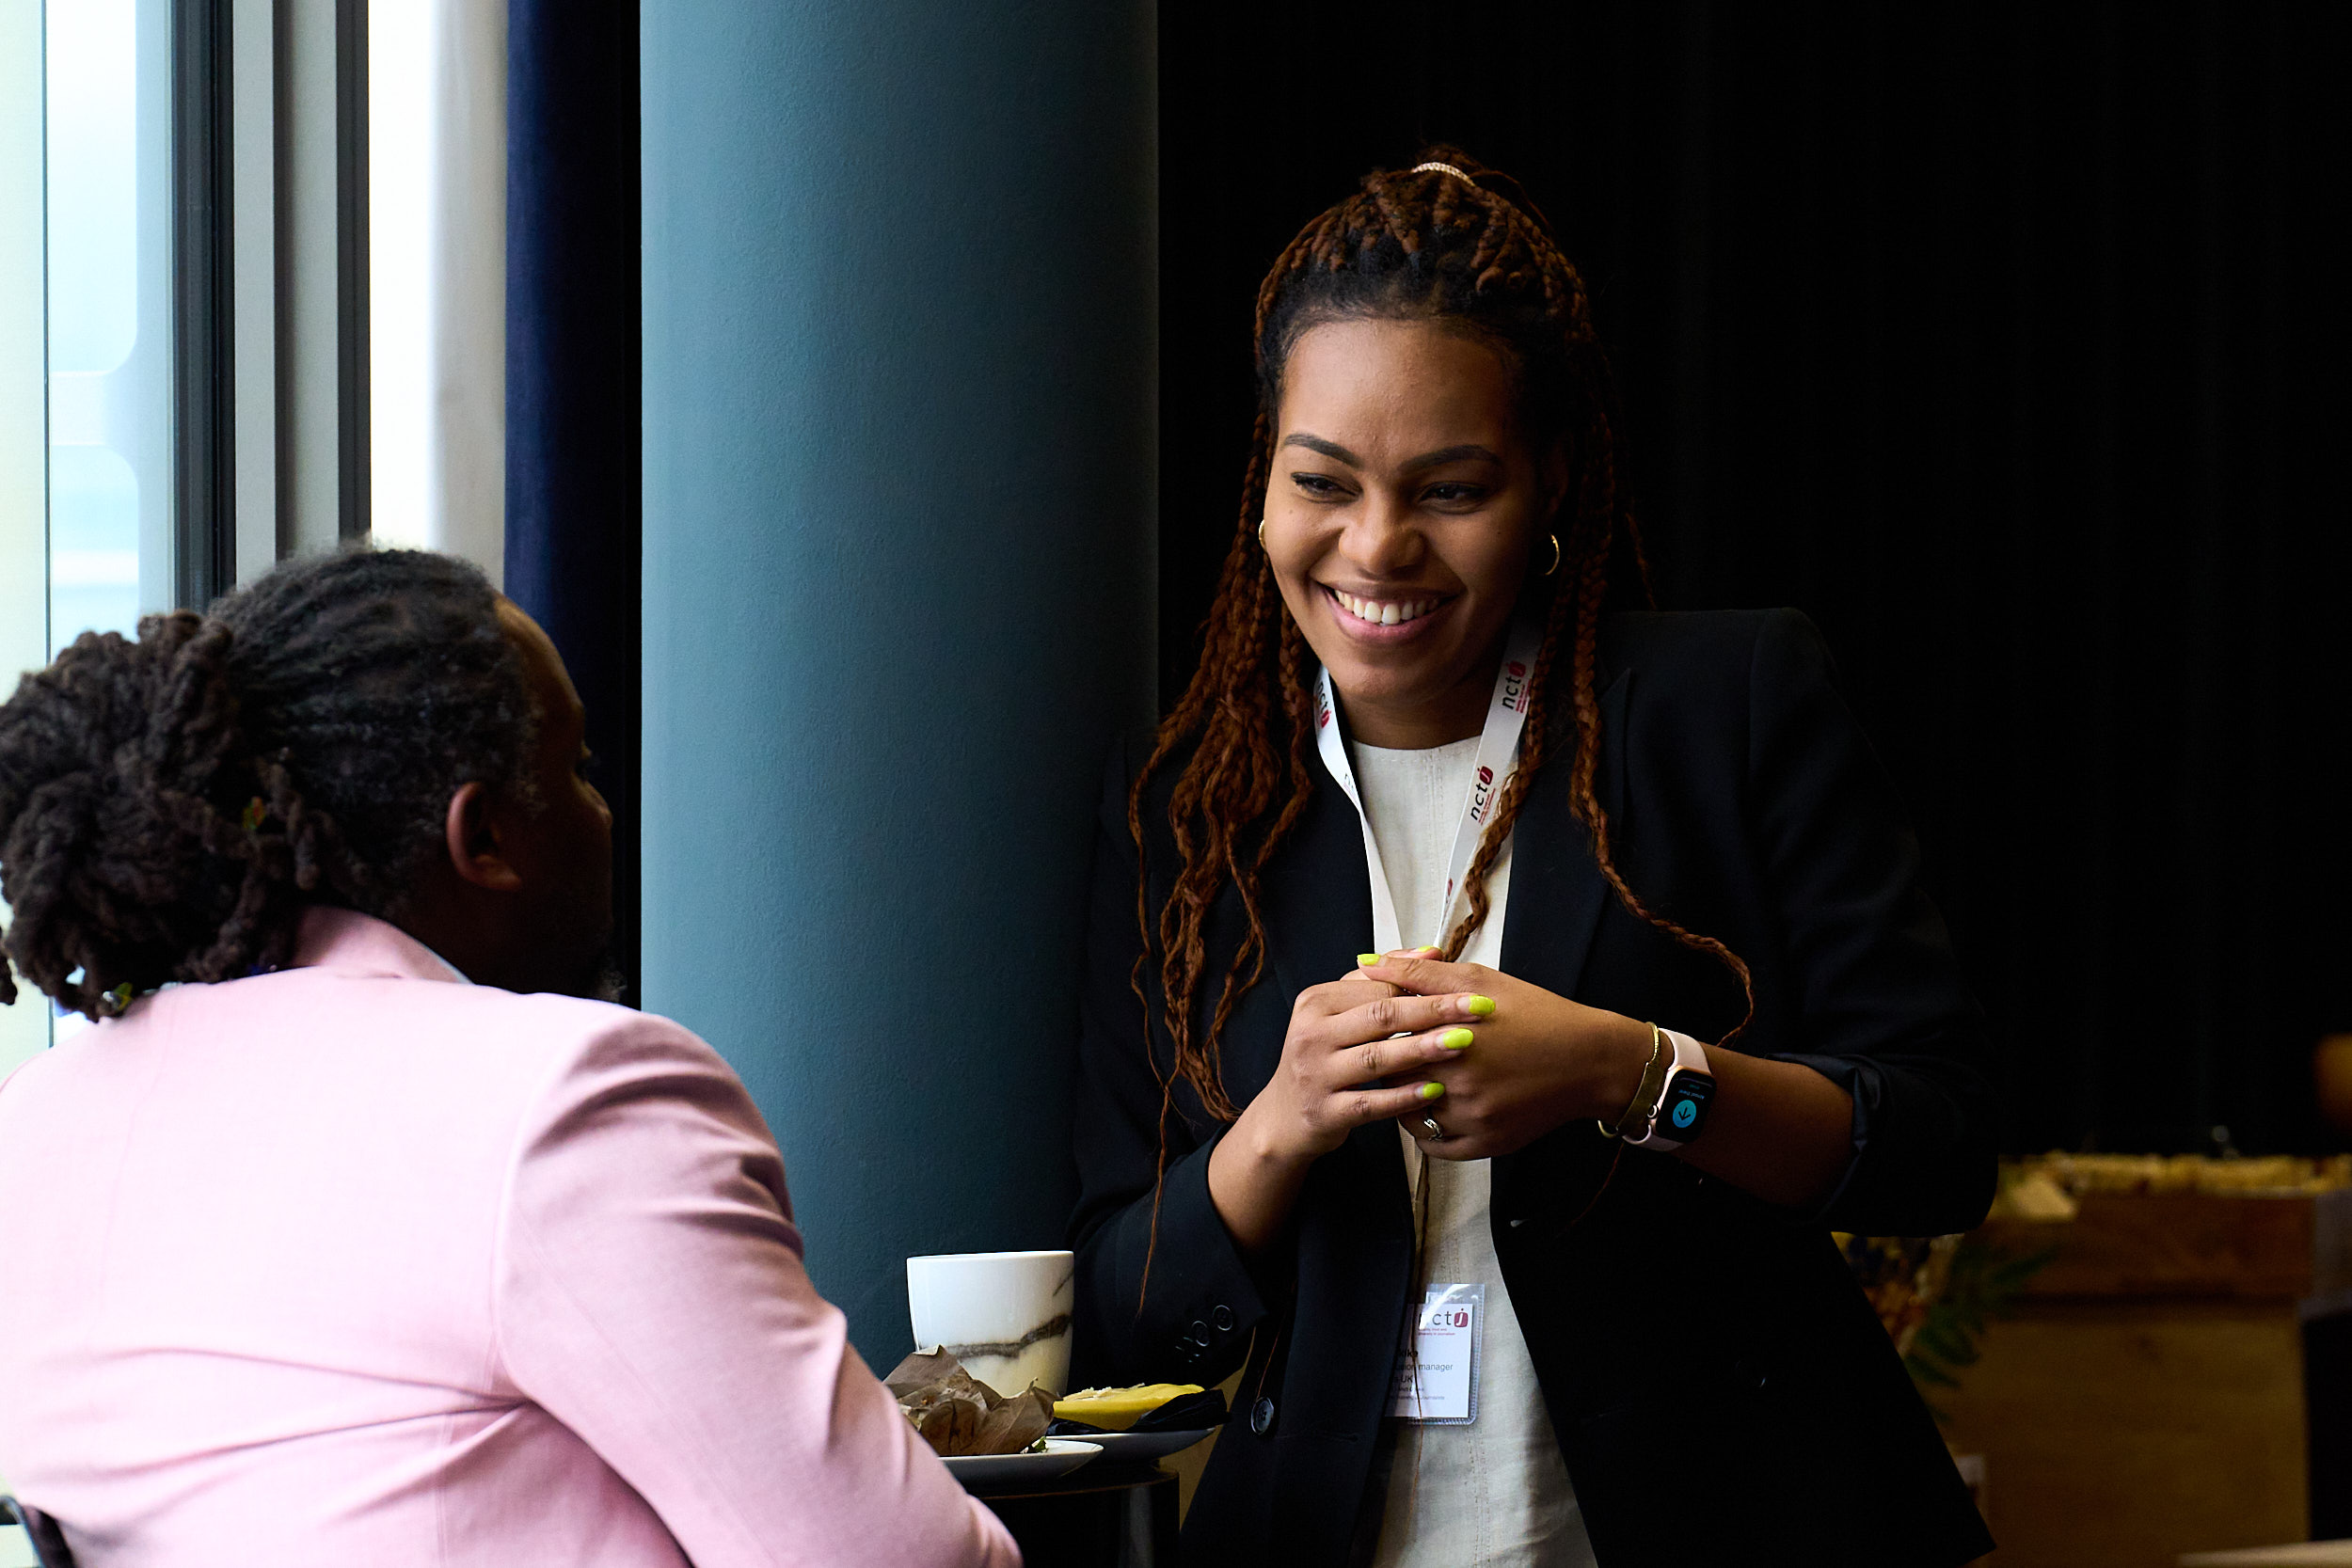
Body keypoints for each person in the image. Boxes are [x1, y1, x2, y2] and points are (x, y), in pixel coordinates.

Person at [1068, 151, 1997, 1567]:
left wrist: (1627, 1072)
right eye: (1322, 481)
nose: (1378, 545)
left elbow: (1935, 1145)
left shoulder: (1723, 707)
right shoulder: (1189, 808)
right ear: (1263, 478)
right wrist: (1280, 1124)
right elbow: (1120, 1319)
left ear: (1549, 481)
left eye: (1450, 487)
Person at [0, 550, 1017, 1568]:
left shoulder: (34, 1125)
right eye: (580, 770)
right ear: (483, 835)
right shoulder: (561, 1100)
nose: (605, 813)